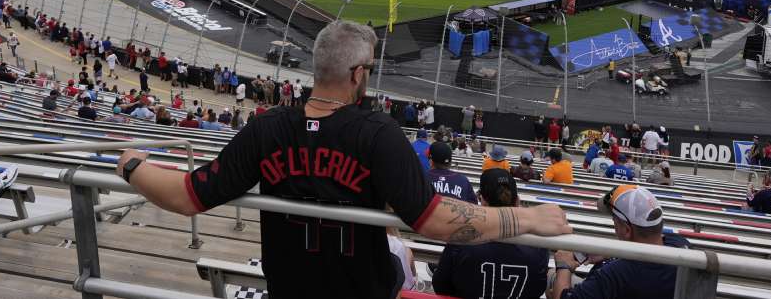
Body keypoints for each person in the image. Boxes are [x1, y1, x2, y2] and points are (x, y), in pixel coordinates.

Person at [113, 20, 569, 299]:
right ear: (356, 74)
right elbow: (435, 221)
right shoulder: (378, 133)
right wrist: (525, 219)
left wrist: (132, 165)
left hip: (289, 290)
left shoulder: (266, 127)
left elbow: (187, 196)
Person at [550, 185, 688, 299]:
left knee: (551, 280)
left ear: (627, 230)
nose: (614, 226)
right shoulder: (681, 245)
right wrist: (610, 253)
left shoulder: (615, 274)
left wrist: (563, 266)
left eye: (615, 221)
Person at [433, 169, 550, 299]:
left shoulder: (461, 239)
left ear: (482, 201)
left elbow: (440, 286)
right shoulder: (538, 245)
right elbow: (538, 289)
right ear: (517, 201)